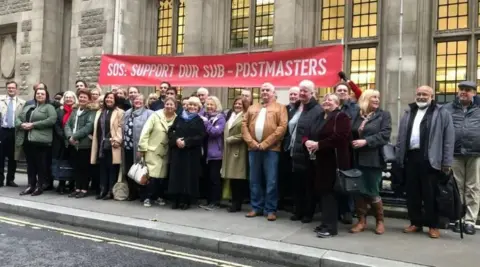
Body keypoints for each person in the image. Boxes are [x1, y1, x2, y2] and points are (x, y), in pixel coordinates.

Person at [396, 85, 454, 239]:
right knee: (413, 193)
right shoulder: (409, 112)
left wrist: (446, 162)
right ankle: (415, 222)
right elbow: (401, 136)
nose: (421, 96)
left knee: (430, 194)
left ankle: (433, 225)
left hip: (431, 159)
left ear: (432, 96)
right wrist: (398, 157)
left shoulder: (442, 113)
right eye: (419, 94)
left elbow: (448, 139)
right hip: (411, 157)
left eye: (425, 94)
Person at [305, 93, 351, 238]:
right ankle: (325, 223)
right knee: (323, 193)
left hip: (334, 161)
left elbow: (341, 137)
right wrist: (307, 142)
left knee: (330, 194)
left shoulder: (341, 117)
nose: (326, 102)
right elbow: (308, 132)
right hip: (320, 161)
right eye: (324, 99)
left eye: (330, 100)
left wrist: (319, 144)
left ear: (337, 104)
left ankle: (331, 228)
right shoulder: (319, 117)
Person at [242, 82, 288, 221]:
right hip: (253, 149)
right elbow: (244, 126)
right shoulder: (252, 107)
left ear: (273, 93)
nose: (265, 92)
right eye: (262, 90)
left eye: (268, 90)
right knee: (254, 180)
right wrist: (253, 143)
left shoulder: (280, 108)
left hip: (271, 149)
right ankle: (256, 207)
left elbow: (282, 128)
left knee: (271, 180)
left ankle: (270, 209)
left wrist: (266, 143)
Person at [349, 89, 392, 235]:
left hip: (373, 158)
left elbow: (384, 135)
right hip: (356, 158)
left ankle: (380, 221)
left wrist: (366, 141)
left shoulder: (383, 115)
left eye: (378, 97)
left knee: (372, 190)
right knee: (358, 191)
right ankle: (361, 221)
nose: (377, 100)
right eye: (374, 97)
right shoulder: (357, 115)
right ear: (366, 99)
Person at [444, 81, 480, 235]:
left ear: (474, 93)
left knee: (473, 187)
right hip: (455, 152)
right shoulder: (448, 109)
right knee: (456, 187)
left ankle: (470, 220)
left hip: (475, 152)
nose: (464, 92)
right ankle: (458, 218)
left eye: (468, 90)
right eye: (461, 90)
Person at [289, 80, 322, 224]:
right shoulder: (297, 107)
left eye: (305, 91)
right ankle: (298, 211)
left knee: (309, 185)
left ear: (312, 93)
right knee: (297, 184)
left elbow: (316, 131)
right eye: (301, 90)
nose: (302, 93)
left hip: (309, 153)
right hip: (295, 152)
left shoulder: (317, 110)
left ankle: (308, 213)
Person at [16, 87, 57, 196]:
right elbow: (18, 117)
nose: (39, 95)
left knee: (41, 165)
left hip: (41, 141)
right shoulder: (29, 107)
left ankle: (40, 186)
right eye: (38, 94)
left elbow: (52, 120)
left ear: (46, 96)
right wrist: (21, 124)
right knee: (30, 165)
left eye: (42, 94)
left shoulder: (49, 107)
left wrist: (33, 125)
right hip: (28, 140)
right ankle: (30, 185)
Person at [138, 97, 178, 207]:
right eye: (167, 104)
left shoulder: (177, 118)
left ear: (175, 107)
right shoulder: (155, 115)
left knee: (162, 177)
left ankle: (159, 196)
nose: (169, 106)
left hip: (166, 152)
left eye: (172, 104)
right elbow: (146, 131)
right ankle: (147, 197)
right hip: (152, 150)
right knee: (150, 176)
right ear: (164, 104)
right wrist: (142, 148)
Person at [168, 97, 206, 210]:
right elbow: (171, 131)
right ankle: (175, 199)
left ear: (198, 108)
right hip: (177, 152)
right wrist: (176, 140)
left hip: (190, 153)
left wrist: (186, 142)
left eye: (195, 106)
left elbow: (201, 136)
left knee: (188, 177)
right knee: (176, 176)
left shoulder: (199, 121)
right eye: (190, 105)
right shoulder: (179, 118)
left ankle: (185, 200)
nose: (192, 107)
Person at [91, 92, 124, 200]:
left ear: (115, 100)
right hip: (101, 144)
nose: (109, 100)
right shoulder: (100, 112)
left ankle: (110, 191)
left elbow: (121, 127)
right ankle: (103, 189)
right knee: (103, 168)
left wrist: (117, 139)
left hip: (113, 144)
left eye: (111, 98)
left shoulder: (120, 112)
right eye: (107, 98)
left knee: (112, 168)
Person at [123, 94, 153, 202]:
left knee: (142, 171)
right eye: (136, 99)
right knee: (129, 171)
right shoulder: (127, 113)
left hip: (141, 148)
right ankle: (132, 193)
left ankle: (143, 194)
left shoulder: (149, 114)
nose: (138, 101)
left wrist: (144, 148)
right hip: (127, 146)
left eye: (140, 100)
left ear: (144, 102)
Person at [64, 89, 94, 198]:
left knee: (84, 168)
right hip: (73, 144)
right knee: (76, 167)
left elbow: (88, 127)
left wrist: (75, 136)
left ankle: (84, 189)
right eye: (80, 97)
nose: (82, 99)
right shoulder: (75, 110)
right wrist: (69, 137)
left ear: (89, 99)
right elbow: (67, 124)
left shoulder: (91, 112)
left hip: (85, 144)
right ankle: (77, 188)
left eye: (85, 97)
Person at [221, 97, 249, 212]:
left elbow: (246, 133)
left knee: (238, 179)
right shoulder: (231, 115)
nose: (237, 106)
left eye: (240, 104)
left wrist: (232, 139)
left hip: (239, 150)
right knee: (232, 178)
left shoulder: (245, 116)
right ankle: (233, 201)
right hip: (229, 150)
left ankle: (237, 203)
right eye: (236, 103)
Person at [199, 96, 226, 211]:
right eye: (207, 105)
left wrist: (206, 123)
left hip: (216, 154)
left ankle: (215, 202)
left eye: (211, 105)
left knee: (214, 179)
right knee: (208, 178)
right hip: (205, 153)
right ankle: (209, 201)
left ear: (216, 106)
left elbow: (216, 132)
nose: (209, 107)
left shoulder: (220, 118)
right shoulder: (205, 116)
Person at [0, 81, 26, 187]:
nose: (11, 89)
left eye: (13, 88)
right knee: (0, 157)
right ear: (7, 89)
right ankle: (0, 179)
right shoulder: (1, 101)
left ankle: (10, 179)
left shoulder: (22, 103)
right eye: (9, 88)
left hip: (15, 132)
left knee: (13, 157)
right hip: (2, 130)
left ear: (16, 89)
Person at [279, 86, 300, 210]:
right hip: (284, 146)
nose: (293, 96)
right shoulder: (283, 109)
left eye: (295, 94)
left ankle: (293, 201)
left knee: (294, 175)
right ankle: (282, 200)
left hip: (296, 147)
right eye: (291, 94)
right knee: (283, 173)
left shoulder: (301, 109)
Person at [52, 91, 77, 194]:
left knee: (73, 163)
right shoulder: (59, 111)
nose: (68, 99)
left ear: (74, 99)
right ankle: (61, 185)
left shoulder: (77, 110)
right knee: (62, 163)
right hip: (62, 142)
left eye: (71, 97)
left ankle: (71, 185)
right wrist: (65, 137)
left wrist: (73, 137)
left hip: (75, 141)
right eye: (66, 97)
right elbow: (57, 125)